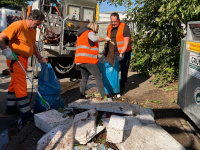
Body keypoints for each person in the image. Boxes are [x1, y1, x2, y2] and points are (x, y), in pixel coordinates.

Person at [0, 9, 47, 123]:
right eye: (37, 23)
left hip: (24, 59)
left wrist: (40, 58)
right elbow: (1, 37)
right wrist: (6, 51)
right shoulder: (18, 25)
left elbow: (33, 45)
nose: (38, 26)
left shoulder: (32, 29)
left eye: (39, 24)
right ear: (30, 19)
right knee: (21, 85)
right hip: (15, 58)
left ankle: (10, 109)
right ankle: (26, 113)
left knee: (14, 83)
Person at [75, 22, 111, 100]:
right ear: (94, 27)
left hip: (80, 60)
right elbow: (94, 39)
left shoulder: (81, 34)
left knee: (84, 78)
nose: (97, 31)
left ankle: (82, 96)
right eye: (97, 28)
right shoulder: (90, 32)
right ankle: (104, 96)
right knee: (98, 76)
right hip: (88, 60)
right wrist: (105, 39)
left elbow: (88, 46)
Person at [107, 12, 132, 94]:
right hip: (113, 52)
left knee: (124, 70)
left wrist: (121, 53)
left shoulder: (125, 27)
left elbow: (126, 42)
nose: (113, 23)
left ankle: (122, 88)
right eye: (112, 21)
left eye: (115, 21)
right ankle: (114, 87)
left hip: (125, 52)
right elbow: (108, 39)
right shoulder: (109, 27)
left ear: (119, 20)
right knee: (114, 70)